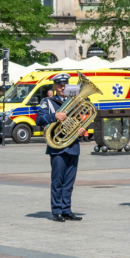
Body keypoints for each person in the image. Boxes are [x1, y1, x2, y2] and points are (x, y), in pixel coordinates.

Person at [36, 72, 86, 221]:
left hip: (73, 145)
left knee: (69, 181)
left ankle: (66, 209)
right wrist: (54, 116)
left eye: (65, 85)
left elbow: (81, 119)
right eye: (59, 85)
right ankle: (57, 210)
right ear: (55, 86)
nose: (63, 87)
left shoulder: (75, 100)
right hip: (57, 145)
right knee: (58, 181)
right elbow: (39, 119)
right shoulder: (48, 101)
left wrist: (81, 129)